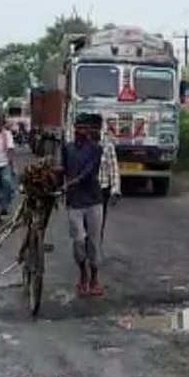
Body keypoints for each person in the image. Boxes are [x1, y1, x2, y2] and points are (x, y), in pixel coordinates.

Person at [63, 113, 105, 297]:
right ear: (74, 129)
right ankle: (82, 273)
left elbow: (89, 171)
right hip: (74, 203)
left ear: (89, 130)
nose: (81, 131)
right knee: (79, 241)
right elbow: (63, 169)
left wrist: (74, 181)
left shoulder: (96, 149)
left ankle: (94, 278)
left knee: (93, 243)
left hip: (93, 201)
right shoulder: (67, 148)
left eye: (84, 128)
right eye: (78, 127)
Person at [94, 121, 121, 258]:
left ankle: (96, 247)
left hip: (102, 189)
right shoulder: (79, 145)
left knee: (99, 221)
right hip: (85, 191)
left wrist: (115, 190)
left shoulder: (108, 146)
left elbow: (113, 169)